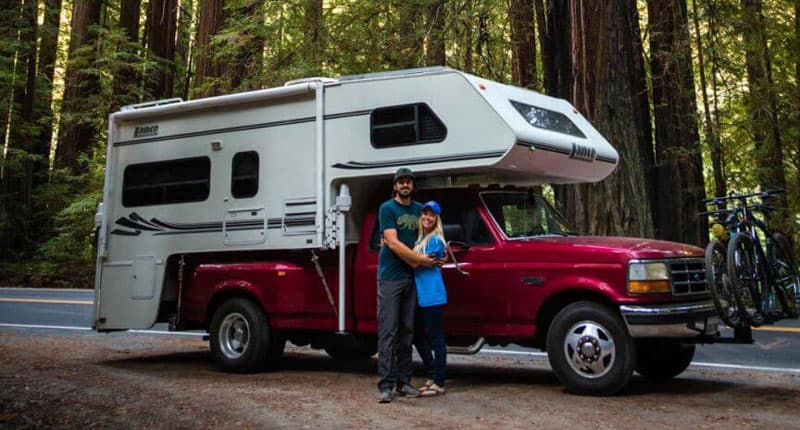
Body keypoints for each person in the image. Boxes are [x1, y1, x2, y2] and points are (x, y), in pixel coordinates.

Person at [376, 168, 438, 403]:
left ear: (413, 186)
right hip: (391, 277)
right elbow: (392, 242)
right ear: (395, 186)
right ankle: (385, 385)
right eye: (400, 182)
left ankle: (404, 382)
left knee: (407, 332)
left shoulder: (420, 210)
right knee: (388, 332)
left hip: (413, 278)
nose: (404, 185)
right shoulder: (387, 209)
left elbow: (430, 237)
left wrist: (437, 254)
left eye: (408, 182)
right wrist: (418, 260)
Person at [412, 201, 448, 397]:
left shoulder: (436, 240)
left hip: (433, 295)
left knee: (436, 339)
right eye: (425, 214)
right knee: (417, 335)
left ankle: (439, 382)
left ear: (436, 219)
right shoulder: (421, 239)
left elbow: (419, 263)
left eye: (431, 215)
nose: (427, 217)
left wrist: (398, 252)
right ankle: (433, 374)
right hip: (421, 296)